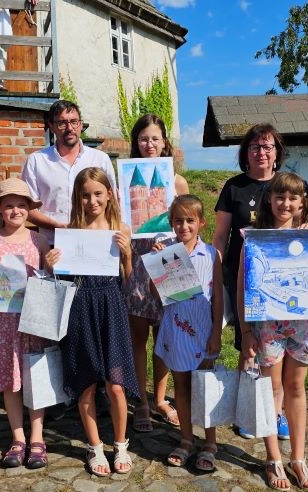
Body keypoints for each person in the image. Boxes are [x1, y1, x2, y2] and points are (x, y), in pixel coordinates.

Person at [45, 167, 138, 477]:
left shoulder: (120, 228)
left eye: (98, 193)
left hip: (111, 307)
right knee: (85, 384)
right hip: (80, 308)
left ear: (109, 194)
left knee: (116, 384)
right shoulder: (71, 231)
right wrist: (52, 266)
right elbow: (63, 280)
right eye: (85, 195)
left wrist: (126, 257)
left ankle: (121, 443)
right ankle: (95, 446)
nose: (92, 200)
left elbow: (129, 282)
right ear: (78, 198)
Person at [237, 172, 308, 492]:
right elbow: (243, 287)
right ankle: (273, 458)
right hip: (267, 327)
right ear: (269, 200)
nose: (286, 203)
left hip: (301, 325)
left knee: (296, 388)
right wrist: (245, 332)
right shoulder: (254, 239)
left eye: (293, 198)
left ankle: (298, 458)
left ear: (302, 203)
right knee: (271, 392)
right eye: (280, 197)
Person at [212, 123, 291, 440]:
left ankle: (277, 412)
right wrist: (214, 273)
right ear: (246, 153)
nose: (262, 152)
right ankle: (250, 410)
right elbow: (220, 237)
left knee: (279, 347)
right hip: (241, 277)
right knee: (248, 345)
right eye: (256, 147)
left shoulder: (287, 185)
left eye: (268, 147)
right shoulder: (234, 187)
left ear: (277, 154)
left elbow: (300, 226)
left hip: (281, 283)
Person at [0, 178, 51, 469]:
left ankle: (38, 437)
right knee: (11, 380)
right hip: (4, 321)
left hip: (33, 320)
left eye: (22, 205)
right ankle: (17, 437)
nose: (16, 210)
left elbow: (50, 277)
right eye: (9, 205)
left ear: (29, 209)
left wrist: (54, 263)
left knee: (36, 379)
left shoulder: (39, 240)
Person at [124, 114, 190, 433]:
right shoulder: (126, 177)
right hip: (137, 262)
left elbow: (187, 225)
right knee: (138, 337)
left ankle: (161, 399)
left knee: (163, 336)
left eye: (155, 138)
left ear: (165, 141)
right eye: (143, 139)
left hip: (169, 262)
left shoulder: (176, 181)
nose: (149, 144)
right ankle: (140, 401)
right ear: (136, 143)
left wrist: (178, 246)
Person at [150, 195, 223, 471]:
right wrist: (156, 265)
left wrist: (216, 332)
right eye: (178, 221)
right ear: (171, 223)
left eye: (190, 220)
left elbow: (217, 297)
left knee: (205, 387)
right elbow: (156, 297)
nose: (184, 226)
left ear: (201, 223)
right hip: (176, 328)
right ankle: (186, 439)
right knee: (180, 384)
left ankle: (211, 442)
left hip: (202, 330)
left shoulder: (211, 254)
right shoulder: (166, 254)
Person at [22, 100, 116, 245]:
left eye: (74, 121)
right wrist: (59, 228)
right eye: (62, 123)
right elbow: (28, 208)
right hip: (53, 243)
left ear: (80, 124)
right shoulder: (36, 161)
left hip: (96, 241)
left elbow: (113, 201)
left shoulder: (100, 159)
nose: (69, 128)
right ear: (52, 127)